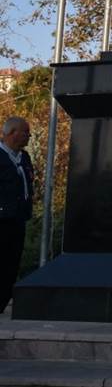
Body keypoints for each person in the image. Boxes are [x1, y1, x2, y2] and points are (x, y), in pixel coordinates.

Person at [0, 117, 33, 313]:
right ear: (13, 133)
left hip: (18, 219)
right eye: (26, 132)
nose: (29, 136)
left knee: (11, 265)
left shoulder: (24, 158)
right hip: (1, 219)